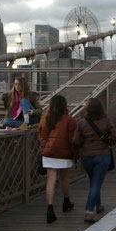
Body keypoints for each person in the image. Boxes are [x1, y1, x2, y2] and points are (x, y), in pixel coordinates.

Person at [72, 98, 116, 223]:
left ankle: (98, 205)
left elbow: (75, 141)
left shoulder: (82, 122)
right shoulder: (106, 121)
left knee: (94, 181)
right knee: (96, 182)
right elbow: (115, 136)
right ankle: (89, 210)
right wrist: (109, 141)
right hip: (102, 155)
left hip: (86, 157)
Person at [39, 94, 77, 224]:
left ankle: (50, 209)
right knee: (64, 178)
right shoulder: (69, 120)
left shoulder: (45, 119)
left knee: (51, 180)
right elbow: (72, 140)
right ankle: (66, 201)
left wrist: (44, 149)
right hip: (64, 153)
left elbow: (42, 137)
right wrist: (75, 155)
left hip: (49, 153)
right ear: (64, 105)